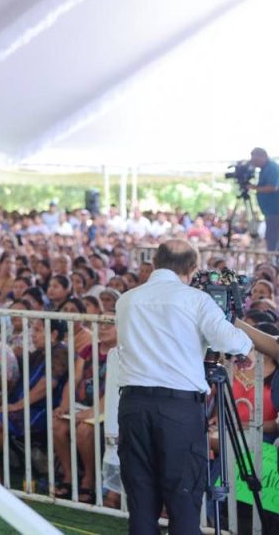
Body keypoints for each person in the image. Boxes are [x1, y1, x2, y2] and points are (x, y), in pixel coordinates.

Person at [115, 239, 254, 535]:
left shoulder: (126, 300)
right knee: (183, 499)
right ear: (192, 268)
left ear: (155, 263)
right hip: (177, 408)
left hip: (133, 406)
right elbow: (228, 340)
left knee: (141, 501)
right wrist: (245, 345)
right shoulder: (195, 300)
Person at [249, 147, 279, 251]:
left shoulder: (272, 168)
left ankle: (273, 258)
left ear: (263, 157)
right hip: (270, 211)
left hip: (275, 211)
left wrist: (254, 188)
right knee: (271, 236)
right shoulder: (263, 169)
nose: (254, 163)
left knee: (272, 237)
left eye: (255, 160)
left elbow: (273, 187)